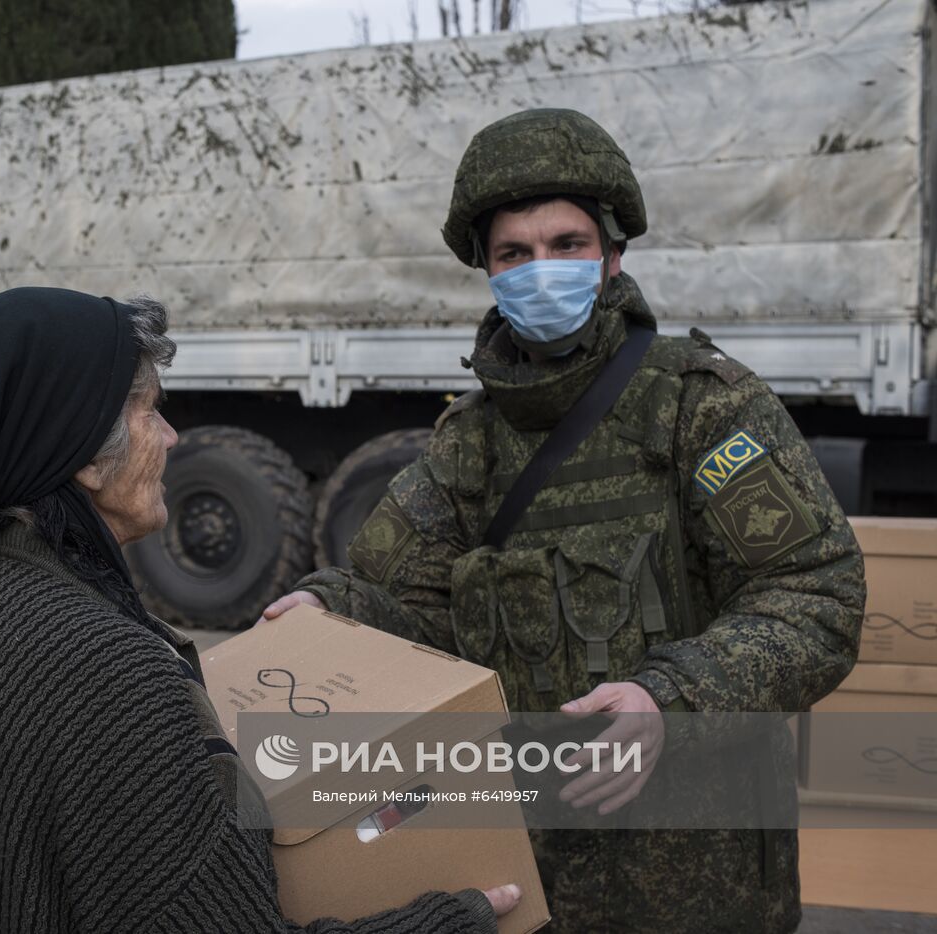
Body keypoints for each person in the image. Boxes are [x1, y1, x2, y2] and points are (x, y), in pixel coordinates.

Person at [265, 109, 865, 933]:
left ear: (612, 255)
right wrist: (326, 612)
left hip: (703, 881)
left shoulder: (701, 405)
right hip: (532, 881)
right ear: (487, 268)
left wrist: (671, 697)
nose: (539, 271)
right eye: (514, 253)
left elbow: (814, 596)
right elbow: (401, 596)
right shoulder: (469, 443)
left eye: (567, 245)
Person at [0, 287, 520, 933]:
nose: (172, 435)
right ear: (79, 449)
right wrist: (454, 921)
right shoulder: (105, 672)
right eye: (150, 410)